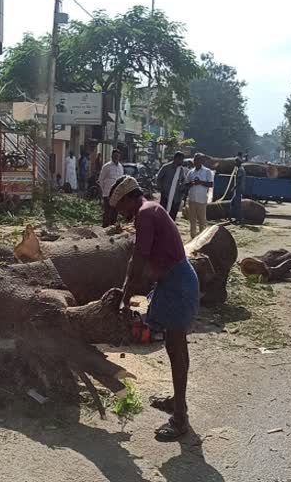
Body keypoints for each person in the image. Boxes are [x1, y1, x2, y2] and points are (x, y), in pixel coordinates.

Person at [109, 176, 199, 440]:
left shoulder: (146, 214)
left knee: (176, 347)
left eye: (122, 208)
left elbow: (138, 258)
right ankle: (177, 401)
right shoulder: (151, 209)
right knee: (175, 347)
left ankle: (180, 418)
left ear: (128, 199)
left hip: (177, 284)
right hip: (173, 281)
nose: (122, 214)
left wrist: (125, 296)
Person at [185, 153, 213, 239]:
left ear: (202, 161)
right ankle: (193, 238)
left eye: (198, 159)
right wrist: (191, 183)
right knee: (192, 221)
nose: (196, 161)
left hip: (201, 200)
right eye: (195, 159)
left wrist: (200, 182)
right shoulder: (191, 172)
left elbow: (211, 184)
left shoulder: (207, 171)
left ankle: (202, 239)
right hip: (192, 199)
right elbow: (186, 184)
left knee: (202, 221)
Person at [156, 152, 187, 220]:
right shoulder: (166, 167)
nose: (182, 161)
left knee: (173, 215)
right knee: (163, 213)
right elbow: (158, 178)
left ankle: (170, 228)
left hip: (176, 197)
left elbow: (183, 180)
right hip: (166, 195)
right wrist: (161, 189)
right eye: (181, 159)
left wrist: (182, 189)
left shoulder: (181, 170)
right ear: (176, 158)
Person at [98, 149, 124, 226]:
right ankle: (105, 226)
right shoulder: (106, 166)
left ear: (119, 157)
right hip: (107, 192)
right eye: (115, 156)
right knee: (107, 210)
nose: (116, 157)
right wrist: (103, 191)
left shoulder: (120, 167)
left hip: (117, 193)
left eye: (117, 156)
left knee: (115, 210)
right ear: (112, 156)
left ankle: (113, 226)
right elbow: (101, 179)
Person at [231, 157, 246, 225]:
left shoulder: (240, 170)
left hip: (238, 189)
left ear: (238, 162)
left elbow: (239, 181)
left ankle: (239, 219)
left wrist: (234, 187)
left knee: (237, 205)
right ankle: (234, 217)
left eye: (235, 162)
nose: (234, 163)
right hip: (238, 189)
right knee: (233, 203)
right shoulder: (240, 169)